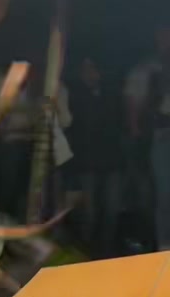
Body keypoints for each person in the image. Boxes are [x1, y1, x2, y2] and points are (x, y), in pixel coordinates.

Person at [67, 58, 124, 259]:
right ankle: (87, 251)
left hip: (111, 159)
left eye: (92, 69)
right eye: (85, 69)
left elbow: (118, 124)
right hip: (87, 161)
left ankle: (108, 249)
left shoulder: (110, 94)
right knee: (89, 210)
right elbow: (74, 128)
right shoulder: (75, 96)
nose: (89, 73)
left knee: (112, 208)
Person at [125, 25, 170, 250]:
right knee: (163, 195)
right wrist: (137, 129)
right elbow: (135, 103)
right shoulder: (149, 70)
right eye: (163, 37)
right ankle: (164, 245)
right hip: (159, 135)